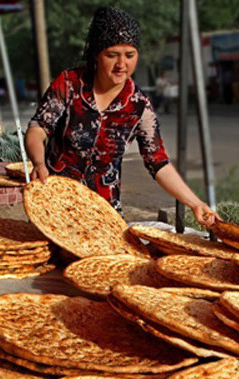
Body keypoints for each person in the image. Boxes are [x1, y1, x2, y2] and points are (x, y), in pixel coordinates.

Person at [24, 7, 217, 228]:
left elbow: (159, 163)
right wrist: (39, 163)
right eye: (112, 55)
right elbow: (38, 128)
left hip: (104, 215)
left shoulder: (138, 105)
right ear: (96, 54)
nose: (121, 65)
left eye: (130, 55)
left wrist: (195, 204)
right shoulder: (69, 84)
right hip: (54, 206)